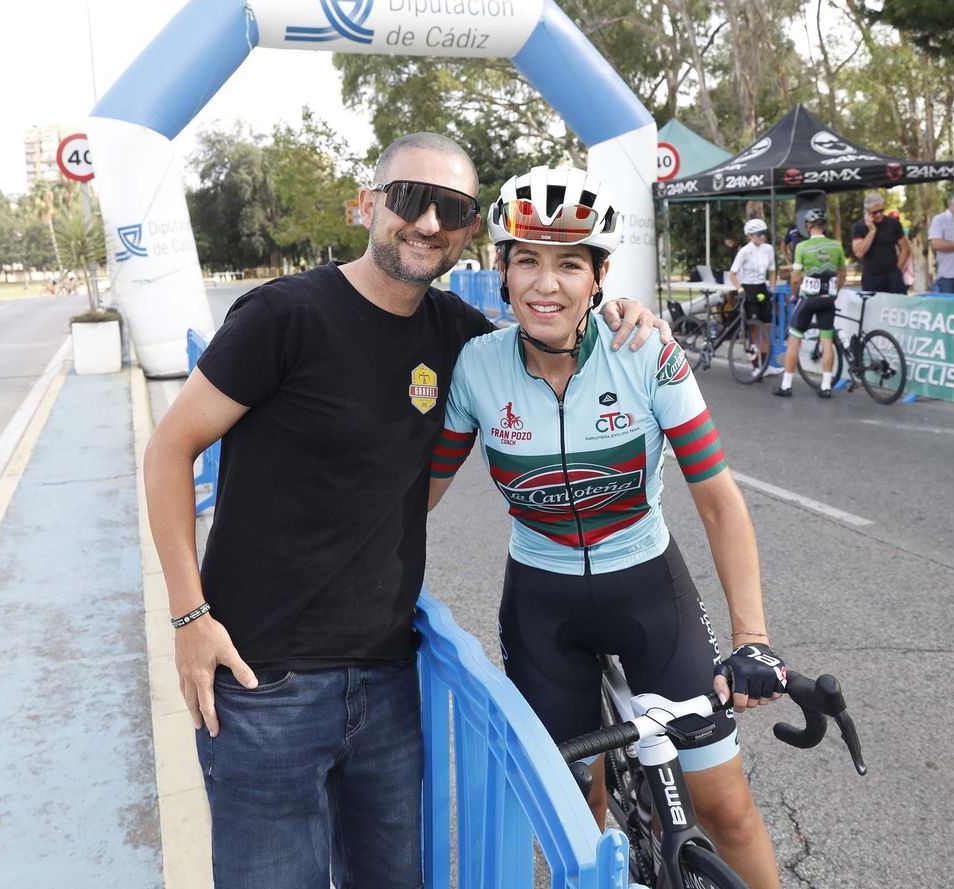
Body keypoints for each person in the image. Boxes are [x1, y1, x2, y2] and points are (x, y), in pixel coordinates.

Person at [141, 134, 668, 888]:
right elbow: (169, 450)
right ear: (368, 204)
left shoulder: (458, 335)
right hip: (263, 683)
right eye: (409, 199)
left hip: (387, 681)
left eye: (450, 209)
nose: (427, 223)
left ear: (468, 229)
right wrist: (189, 619)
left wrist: (625, 318)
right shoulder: (284, 315)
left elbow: (550, 334)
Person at [429, 164, 788, 889]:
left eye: (570, 264)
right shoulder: (477, 368)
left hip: (650, 594)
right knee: (577, 818)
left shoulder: (645, 352)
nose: (546, 284)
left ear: (599, 277)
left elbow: (719, 502)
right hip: (544, 609)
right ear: (501, 270)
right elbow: (419, 496)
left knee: (728, 810)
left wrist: (752, 635)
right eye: (527, 260)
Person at [775, 208, 845, 398]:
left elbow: (795, 278)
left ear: (808, 226)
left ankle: (786, 385)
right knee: (827, 341)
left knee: (794, 340)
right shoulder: (836, 246)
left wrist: (795, 295)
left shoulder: (802, 247)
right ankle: (826, 386)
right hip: (828, 299)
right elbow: (842, 273)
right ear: (825, 226)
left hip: (808, 299)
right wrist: (835, 292)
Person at [725, 217, 776, 378]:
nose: (762, 236)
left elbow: (772, 270)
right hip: (748, 288)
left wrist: (772, 288)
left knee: (767, 328)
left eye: (764, 233)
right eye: (759, 234)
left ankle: (765, 366)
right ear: (750, 236)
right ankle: (755, 367)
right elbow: (732, 274)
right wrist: (740, 289)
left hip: (762, 287)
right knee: (754, 330)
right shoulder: (744, 251)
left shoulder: (769, 249)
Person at [851, 192, 911, 293]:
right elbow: (859, 252)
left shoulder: (893, 224)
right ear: (867, 212)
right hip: (872, 277)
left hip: (893, 276)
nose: (879, 214)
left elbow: (905, 247)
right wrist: (872, 231)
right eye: (875, 212)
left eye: (881, 211)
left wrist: (898, 269)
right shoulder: (859, 227)